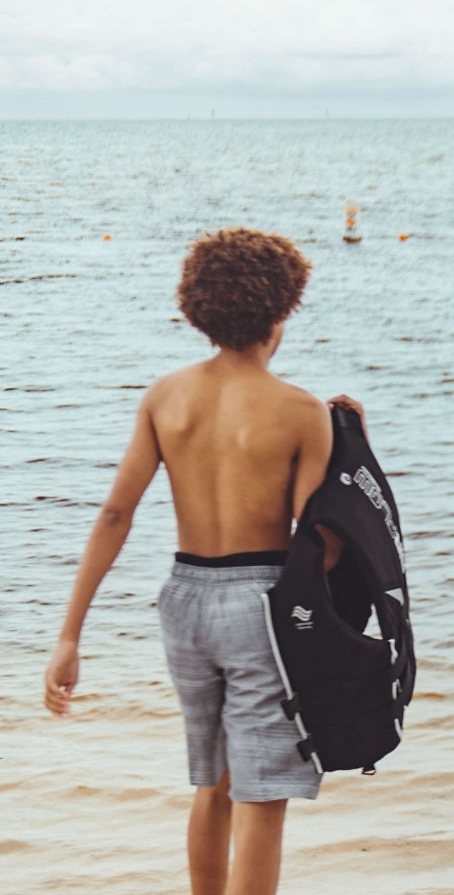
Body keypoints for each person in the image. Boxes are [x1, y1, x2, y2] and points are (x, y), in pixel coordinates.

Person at [42, 227, 365, 895]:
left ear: (200, 308)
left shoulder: (165, 396)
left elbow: (114, 515)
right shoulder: (302, 411)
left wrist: (69, 635)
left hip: (184, 599)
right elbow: (323, 546)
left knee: (210, 782)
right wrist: (354, 449)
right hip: (261, 606)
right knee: (262, 796)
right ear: (281, 310)